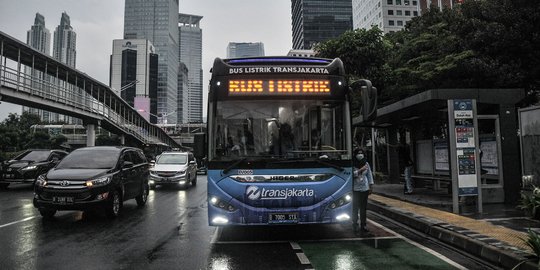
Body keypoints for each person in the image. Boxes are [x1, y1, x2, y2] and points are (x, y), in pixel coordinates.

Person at [352, 148, 374, 234]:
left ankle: (363, 225)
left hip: (364, 188)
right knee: (355, 207)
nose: (360, 155)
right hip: (355, 189)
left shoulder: (366, 163)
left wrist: (371, 186)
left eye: (362, 153)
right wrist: (360, 170)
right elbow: (352, 175)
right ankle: (354, 224)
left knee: (363, 208)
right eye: (358, 153)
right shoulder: (353, 164)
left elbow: (369, 175)